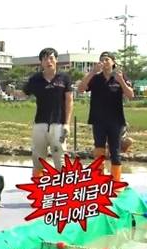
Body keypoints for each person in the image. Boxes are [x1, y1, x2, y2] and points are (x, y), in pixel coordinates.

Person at [77, 53, 134, 182]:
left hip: (116, 120)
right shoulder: (95, 78)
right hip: (98, 120)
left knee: (115, 151)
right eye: (102, 60)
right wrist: (92, 72)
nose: (104, 62)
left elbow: (130, 95)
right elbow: (80, 89)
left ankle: (116, 181)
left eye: (107, 59)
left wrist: (121, 81)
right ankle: (99, 180)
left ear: (113, 62)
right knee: (99, 150)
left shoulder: (120, 76)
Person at [23, 50, 73, 179]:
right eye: (45, 59)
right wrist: (11, 92)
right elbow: (24, 93)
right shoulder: (35, 79)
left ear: (56, 60)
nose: (48, 61)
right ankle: (38, 185)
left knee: (60, 157)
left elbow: (69, 101)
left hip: (58, 124)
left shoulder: (64, 78)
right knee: (38, 158)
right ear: (41, 62)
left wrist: (67, 124)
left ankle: (63, 185)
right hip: (40, 123)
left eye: (51, 58)